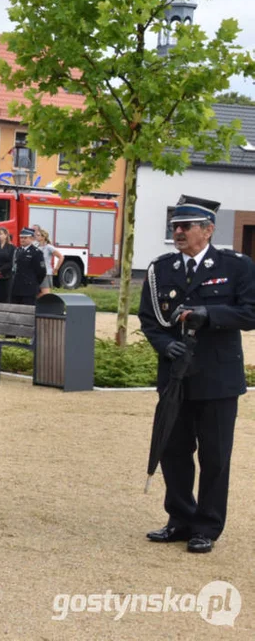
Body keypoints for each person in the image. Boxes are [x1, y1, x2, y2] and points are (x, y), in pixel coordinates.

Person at [139, 195, 255, 554]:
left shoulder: (236, 266)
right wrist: (163, 345)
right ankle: (180, 518)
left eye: (186, 226)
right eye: (175, 225)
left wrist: (210, 314)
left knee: (215, 456)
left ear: (207, 230)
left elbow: (250, 314)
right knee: (174, 450)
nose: (178, 231)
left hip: (218, 377)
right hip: (176, 376)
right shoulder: (161, 269)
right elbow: (149, 318)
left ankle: (207, 526)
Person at [10, 227, 46, 305]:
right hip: (16, 287)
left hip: (29, 288)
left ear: (32, 238)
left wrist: (34, 283)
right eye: (21, 238)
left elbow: (41, 272)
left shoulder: (36, 252)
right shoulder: (17, 250)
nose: (22, 240)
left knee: (28, 311)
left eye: (25, 238)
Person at [34, 227, 62, 296]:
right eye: (36, 235)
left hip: (46, 273)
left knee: (45, 294)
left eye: (38, 235)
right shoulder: (36, 246)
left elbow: (61, 257)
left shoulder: (49, 247)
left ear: (43, 237)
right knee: (37, 293)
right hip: (37, 273)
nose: (36, 237)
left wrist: (56, 268)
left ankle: (49, 305)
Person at [0, 227, 14, 303]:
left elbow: (12, 262)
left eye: (0, 234)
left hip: (5, 276)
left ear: (6, 235)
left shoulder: (11, 248)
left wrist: (0, 270)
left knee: (4, 298)